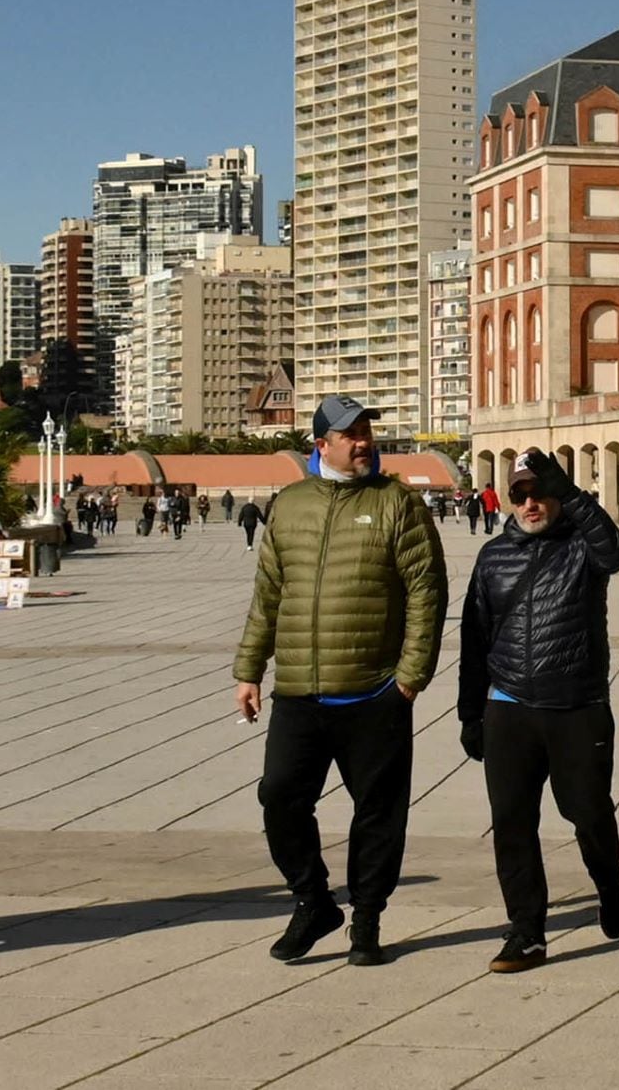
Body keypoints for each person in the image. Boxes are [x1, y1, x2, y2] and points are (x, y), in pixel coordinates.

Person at [231, 397, 447, 968]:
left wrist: (410, 676)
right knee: (279, 797)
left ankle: (367, 920)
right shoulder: (290, 505)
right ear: (321, 443)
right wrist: (249, 669)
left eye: (366, 431)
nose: (363, 442)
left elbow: (428, 591)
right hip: (300, 692)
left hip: (375, 691)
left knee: (378, 811)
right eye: (350, 434)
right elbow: (268, 595)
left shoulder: (398, 503)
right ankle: (313, 900)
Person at [458, 449, 619, 974]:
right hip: (509, 707)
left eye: (540, 492)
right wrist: (471, 713)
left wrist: (575, 496)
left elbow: (618, 553)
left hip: (576, 707)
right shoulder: (492, 557)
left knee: (587, 812)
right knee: (511, 823)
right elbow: (474, 638)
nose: (530, 503)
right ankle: (527, 932)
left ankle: (609, 883)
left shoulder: (584, 549)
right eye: (519, 494)